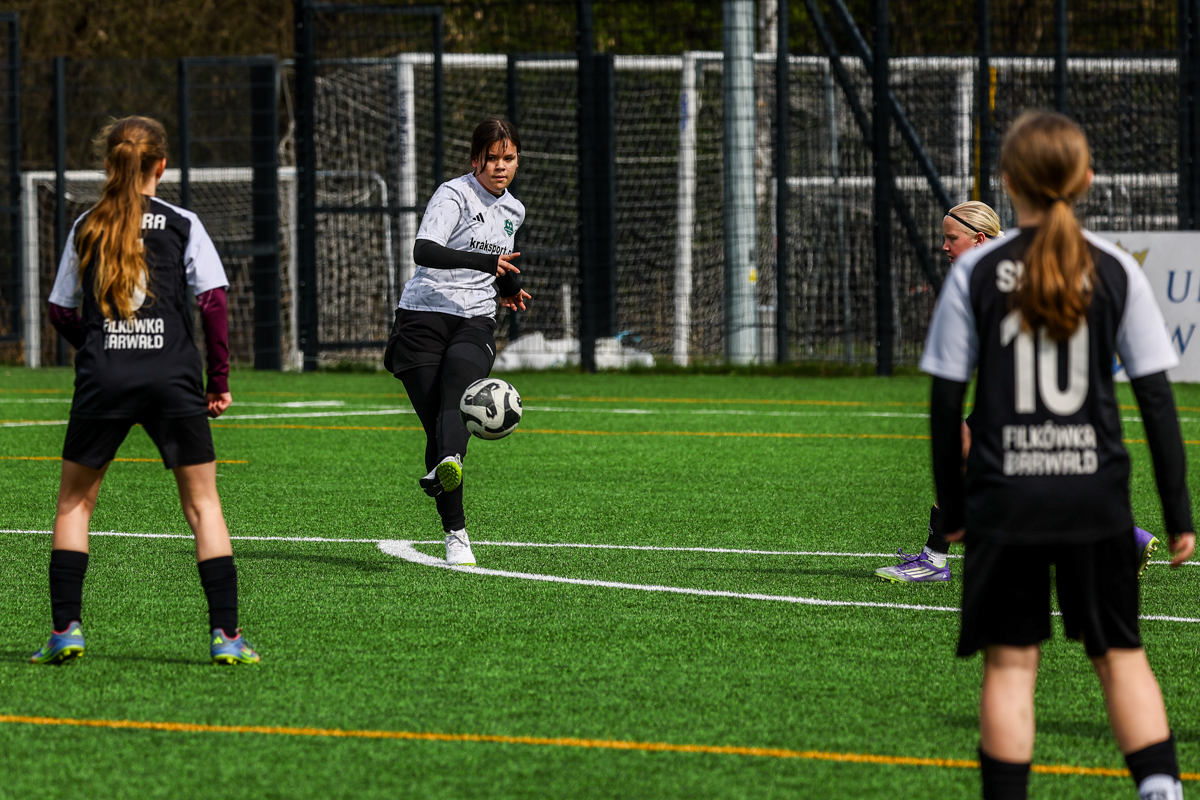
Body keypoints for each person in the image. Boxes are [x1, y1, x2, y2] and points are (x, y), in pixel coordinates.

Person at [922, 110, 1193, 800]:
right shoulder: (1115, 269)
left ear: (1009, 182)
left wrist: (954, 515)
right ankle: (1160, 789)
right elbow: (1156, 401)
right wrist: (1179, 514)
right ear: (1086, 180)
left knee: (1011, 668)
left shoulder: (976, 271)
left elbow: (946, 407)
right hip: (1093, 497)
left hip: (1006, 498)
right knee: (1121, 659)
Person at [33, 116, 259, 666]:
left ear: (108, 163)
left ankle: (66, 631)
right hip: (172, 376)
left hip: (104, 376)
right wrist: (218, 381)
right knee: (203, 506)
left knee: (74, 504)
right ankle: (226, 636)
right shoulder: (182, 222)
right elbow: (213, 303)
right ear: (161, 164)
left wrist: (97, 347)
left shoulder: (87, 223)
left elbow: (60, 310)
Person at [875, 202, 1160, 583]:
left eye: (951, 238)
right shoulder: (1003, 260)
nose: (944, 246)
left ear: (978, 239)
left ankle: (935, 560)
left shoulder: (999, 270)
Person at [383, 116, 531, 567]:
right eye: (492, 158)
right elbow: (424, 250)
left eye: (509, 158)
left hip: (475, 319)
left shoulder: (515, 210)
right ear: (475, 160)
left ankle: (452, 509)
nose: (500, 167)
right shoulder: (453, 195)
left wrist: (508, 287)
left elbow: (497, 261)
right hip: (423, 317)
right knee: (437, 423)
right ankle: (455, 523)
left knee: (459, 399)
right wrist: (488, 266)